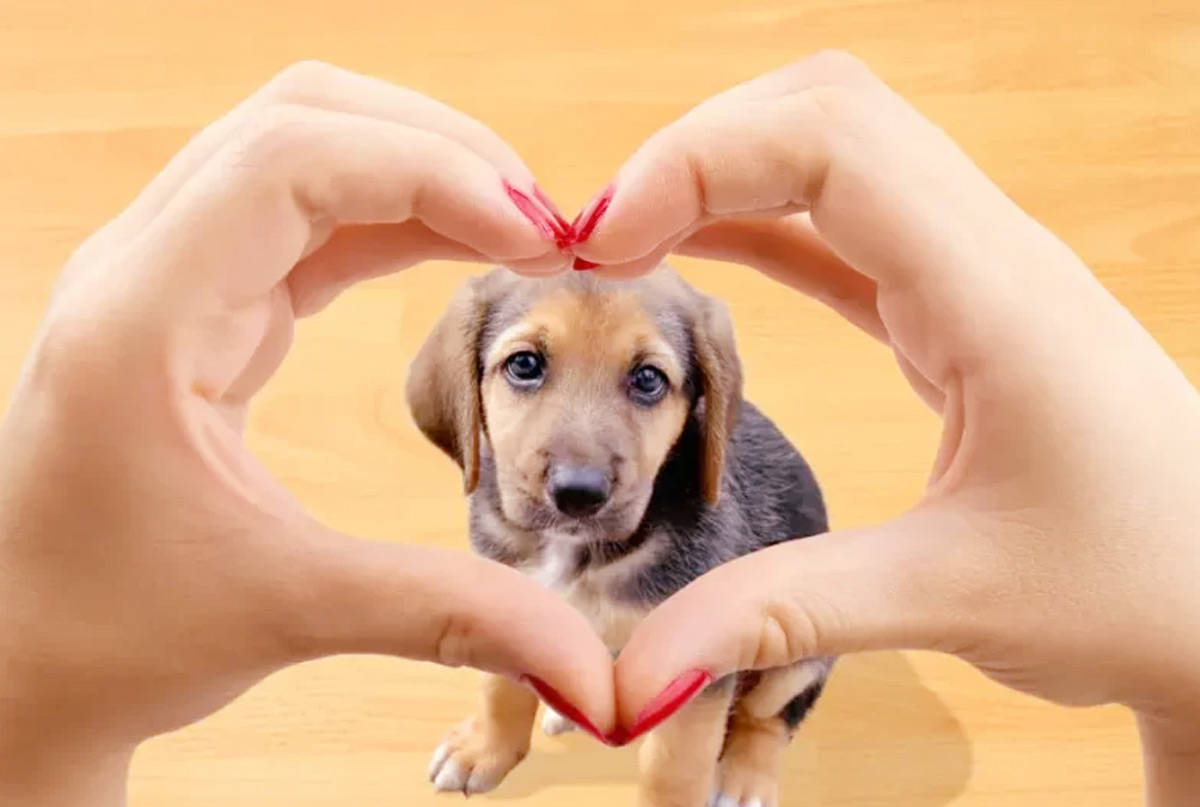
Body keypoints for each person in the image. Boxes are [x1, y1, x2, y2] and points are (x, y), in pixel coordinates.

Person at [0, 52, 1195, 806]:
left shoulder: (696, 525)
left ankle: (758, 752)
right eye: (525, 369)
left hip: (726, 645)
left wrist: (723, 749)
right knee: (516, 649)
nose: (576, 462)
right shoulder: (496, 502)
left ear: (705, 409)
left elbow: (714, 654)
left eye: (645, 384)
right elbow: (509, 617)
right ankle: (501, 736)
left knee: (768, 681)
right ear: (466, 399)